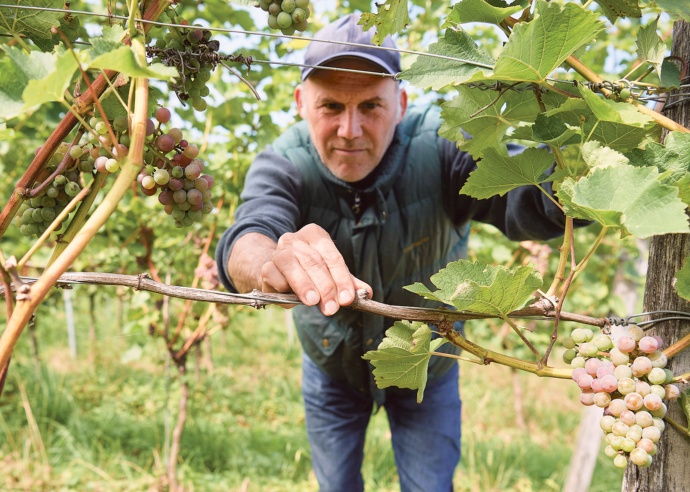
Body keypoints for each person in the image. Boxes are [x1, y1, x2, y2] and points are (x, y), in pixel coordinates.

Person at [216, 14, 569, 491]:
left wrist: (577, 182)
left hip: (429, 366)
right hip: (332, 370)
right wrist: (266, 261)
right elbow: (249, 234)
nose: (350, 129)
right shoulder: (283, 163)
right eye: (331, 106)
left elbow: (518, 196)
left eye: (370, 107)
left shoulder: (443, 145)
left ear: (401, 103)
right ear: (301, 103)